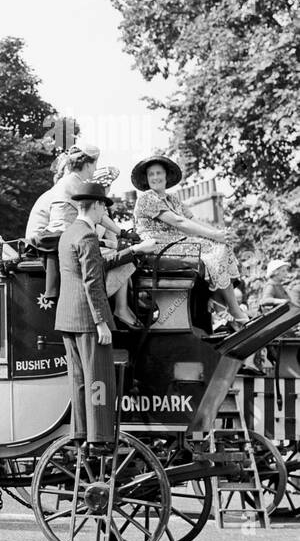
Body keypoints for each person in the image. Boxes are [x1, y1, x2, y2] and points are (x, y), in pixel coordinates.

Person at [132, 153, 249, 325]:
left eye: (158, 173)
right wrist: (215, 236)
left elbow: (192, 220)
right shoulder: (147, 197)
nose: (155, 177)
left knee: (223, 246)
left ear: (166, 175)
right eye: (151, 174)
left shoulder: (172, 199)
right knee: (216, 249)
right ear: (147, 178)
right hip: (157, 246)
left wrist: (222, 234)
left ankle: (220, 303)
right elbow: (179, 222)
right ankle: (232, 308)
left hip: (177, 242)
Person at [37, 143, 141, 327]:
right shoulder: (77, 184)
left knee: (119, 253)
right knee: (125, 259)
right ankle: (117, 308)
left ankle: (121, 306)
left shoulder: (69, 181)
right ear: (88, 165)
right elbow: (98, 215)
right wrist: (123, 233)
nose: (94, 170)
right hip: (71, 241)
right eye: (94, 165)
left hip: (65, 239)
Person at [55, 182, 118, 448]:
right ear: (95, 205)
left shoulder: (70, 233)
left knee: (79, 380)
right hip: (87, 317)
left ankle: (81, 433)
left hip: (67, 316)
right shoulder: (88, 237)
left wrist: (133, 252)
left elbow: (94, 266)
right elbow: (93, 281)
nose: (104, 211)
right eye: (103, 205)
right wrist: (102, 321)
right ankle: (99, 437)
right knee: (99, 378)